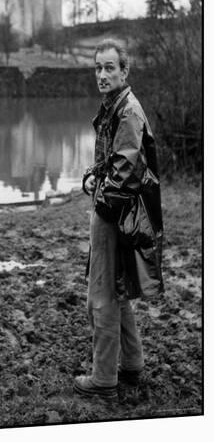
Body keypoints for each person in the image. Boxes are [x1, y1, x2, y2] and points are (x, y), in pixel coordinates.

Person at [74, 39, 163, 400]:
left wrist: (100, 201)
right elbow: (111, 163)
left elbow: (125, 170)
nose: (102, 74)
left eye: (110, 67)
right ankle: (132, 365)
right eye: (98, 67)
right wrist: (91, 176)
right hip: (120, 211)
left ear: (124, 71)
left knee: (102, 295)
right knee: (118, 289)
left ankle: (103, 378)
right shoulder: (115, 106)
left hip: (115, 214)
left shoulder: (127, 111)